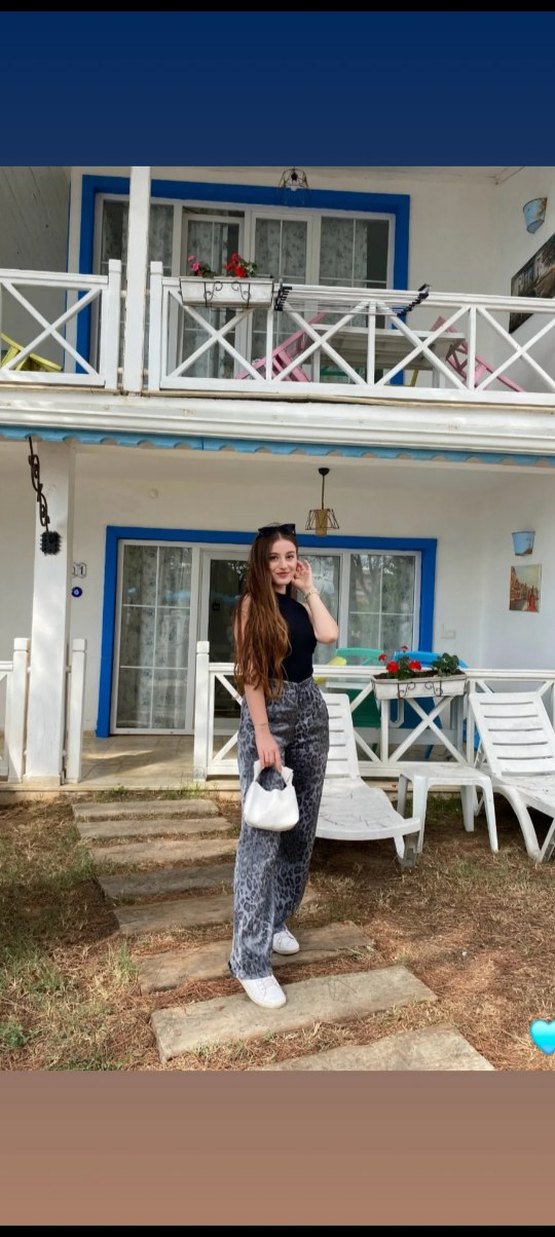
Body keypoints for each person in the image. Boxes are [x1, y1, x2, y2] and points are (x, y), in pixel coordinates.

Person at [228, 521, 339, 1009]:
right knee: (262, 836)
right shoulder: (251, 606)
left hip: (311, 710)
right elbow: (251, 671)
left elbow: (329, 635)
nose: (283, 564)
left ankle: (276, 920)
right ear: (261, 561)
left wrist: (310, 589)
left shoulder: (297, 603)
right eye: (275, 557)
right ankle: (249, 962)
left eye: (290, 556)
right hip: (269, 712)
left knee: (300, 831)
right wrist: (263, 732)